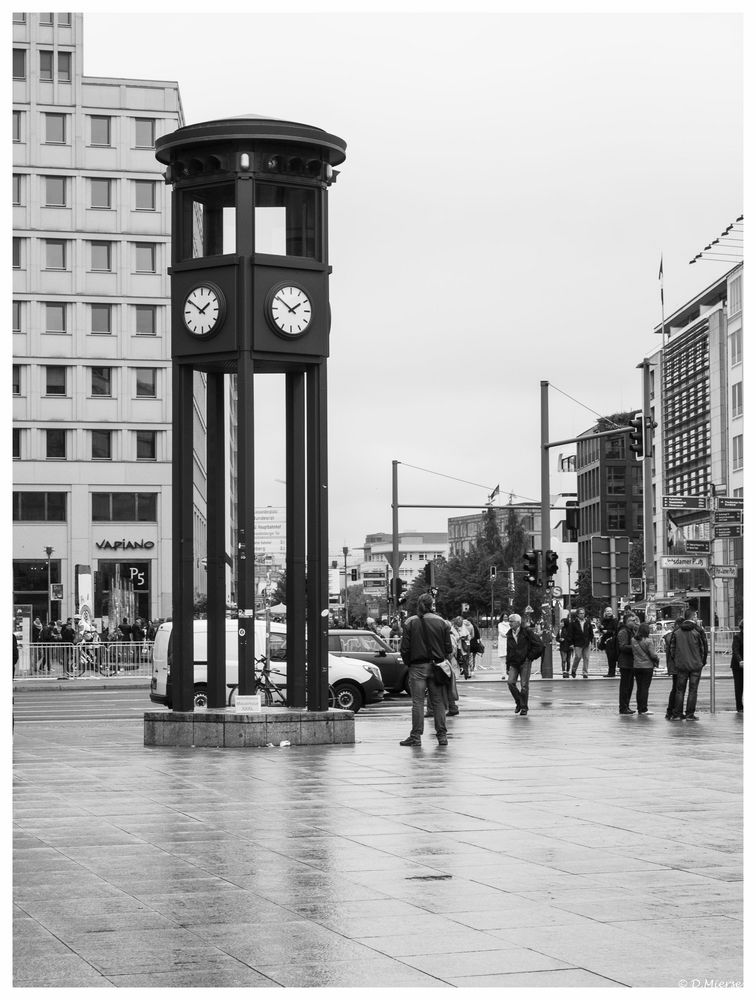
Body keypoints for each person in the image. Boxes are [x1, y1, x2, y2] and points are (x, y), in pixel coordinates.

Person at [399, 593, 453, 746]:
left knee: (417, 702)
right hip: (437, 666)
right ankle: (442, 736)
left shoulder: (410, 622)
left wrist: (409, 663)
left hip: (417, 666)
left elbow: (405, 648)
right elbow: (448, 648)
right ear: (432, 605)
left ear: (419, 604)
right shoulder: (442, 623)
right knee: (438, 702)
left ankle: (416, 736)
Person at [669, 610, 708, 721]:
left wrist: (676, 660)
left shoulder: (677, 631)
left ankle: (677, 714)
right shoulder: (698, 630)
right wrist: (702, 661)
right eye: (696, 615)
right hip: (696, 664)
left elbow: (672, 648)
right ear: (693, 616)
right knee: (693, 690)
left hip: (681, 664)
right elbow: (704, 647)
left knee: (680, 690)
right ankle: (690, 714)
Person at [504, 613, 544, 716]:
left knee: (524, 686)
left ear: (518, 622)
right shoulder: (509, 634)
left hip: (525, 662)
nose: (510, 623)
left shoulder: (527, 632)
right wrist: (507, 665)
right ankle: (519, 702)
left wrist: (530, 657)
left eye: (512, 621)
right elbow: (509, 650)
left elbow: (539, 645)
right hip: (514, 662)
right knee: (510, 682)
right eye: (509, 621)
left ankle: (524, 707)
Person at [631, 622, 659, 715]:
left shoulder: (633, 640)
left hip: (637, 666)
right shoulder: (648, 641)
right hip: (647, 667)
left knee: (639, 688)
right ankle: (644, 709)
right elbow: (653, 655)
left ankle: (639, 707)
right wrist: (657, 658)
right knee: (645, 688)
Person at [617, 612, 640, 714]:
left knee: (630, 686)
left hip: (631, 662)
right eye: (632, 620)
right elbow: (622, 646)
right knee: (625, 686)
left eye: (635, 620)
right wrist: (635, 647)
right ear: (626, 621)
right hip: (625, 662)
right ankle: (623, 707)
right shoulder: (623, 631)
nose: (634, 622)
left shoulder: (632, 630)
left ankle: (627, 705)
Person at [663, 618, 684, 719]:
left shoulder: (671, 635)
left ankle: (671, 711)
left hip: (674, 665)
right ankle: (672, 711)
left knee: (676, 689)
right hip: (677, 666)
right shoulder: (674, 635)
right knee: (677, 689)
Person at [568, 608, 594, 678]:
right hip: (577, 643)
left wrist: (591, 641)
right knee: (578, 657)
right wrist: (571, 643)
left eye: (583, 613)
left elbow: (591, 633)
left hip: (586, 643)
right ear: (577, 614)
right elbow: (570, 634)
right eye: (580, 613)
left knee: (586, 658)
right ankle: (573, 670)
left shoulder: (587, 622)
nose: (582, 615)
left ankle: (585, 673)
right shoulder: (573, 623)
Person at [598, 607, 619, 677]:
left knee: (612, 656)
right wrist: (601, 628)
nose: (609, 612)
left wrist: (607, 631)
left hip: (612, 640)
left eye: (610, 611)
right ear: (605, 612)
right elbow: (602, 631)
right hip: (606, 641)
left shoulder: (614, 620)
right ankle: (611, 672)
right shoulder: (604, 620)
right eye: (607, 611)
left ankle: (612, 672)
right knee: (609, 656)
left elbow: (615, 630)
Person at [730, 621, 743, 713]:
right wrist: (740, 660)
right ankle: (739, 707)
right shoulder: (737, 637)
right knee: (739, 686)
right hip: (738, 665)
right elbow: (735, 650)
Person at [497, 613, 510, 680]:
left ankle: (509, 672)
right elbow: (501, 633)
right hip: (502, 644)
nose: (505, 618)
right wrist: (508, 636)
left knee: (509, 660)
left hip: (509, 644)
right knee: (503, 660)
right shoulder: (500, 624)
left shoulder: (510, 624)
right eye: (504, 617)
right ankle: (503, 674)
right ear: (502, 618)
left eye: (506, 617)